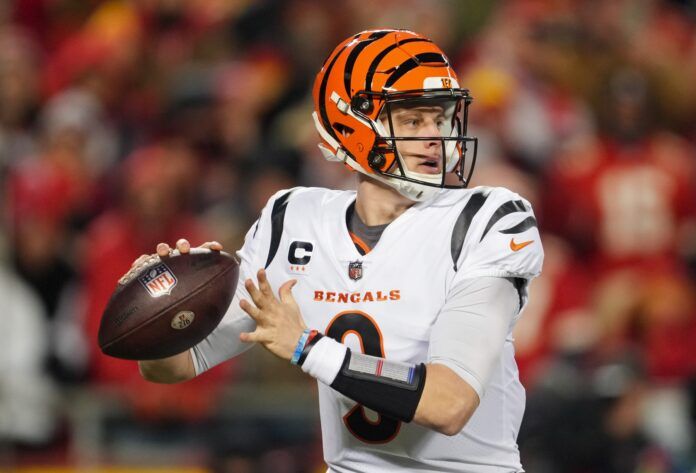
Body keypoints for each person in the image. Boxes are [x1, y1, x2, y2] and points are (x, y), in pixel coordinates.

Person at [132, 30, 543, 472]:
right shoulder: (293, 219)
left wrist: (308, 347)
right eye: (412, 120)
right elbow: (175, 367)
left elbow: (449, 403)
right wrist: (155, 310)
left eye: (441, 119)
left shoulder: (487, 218)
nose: (434, 137)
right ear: (352, 126)